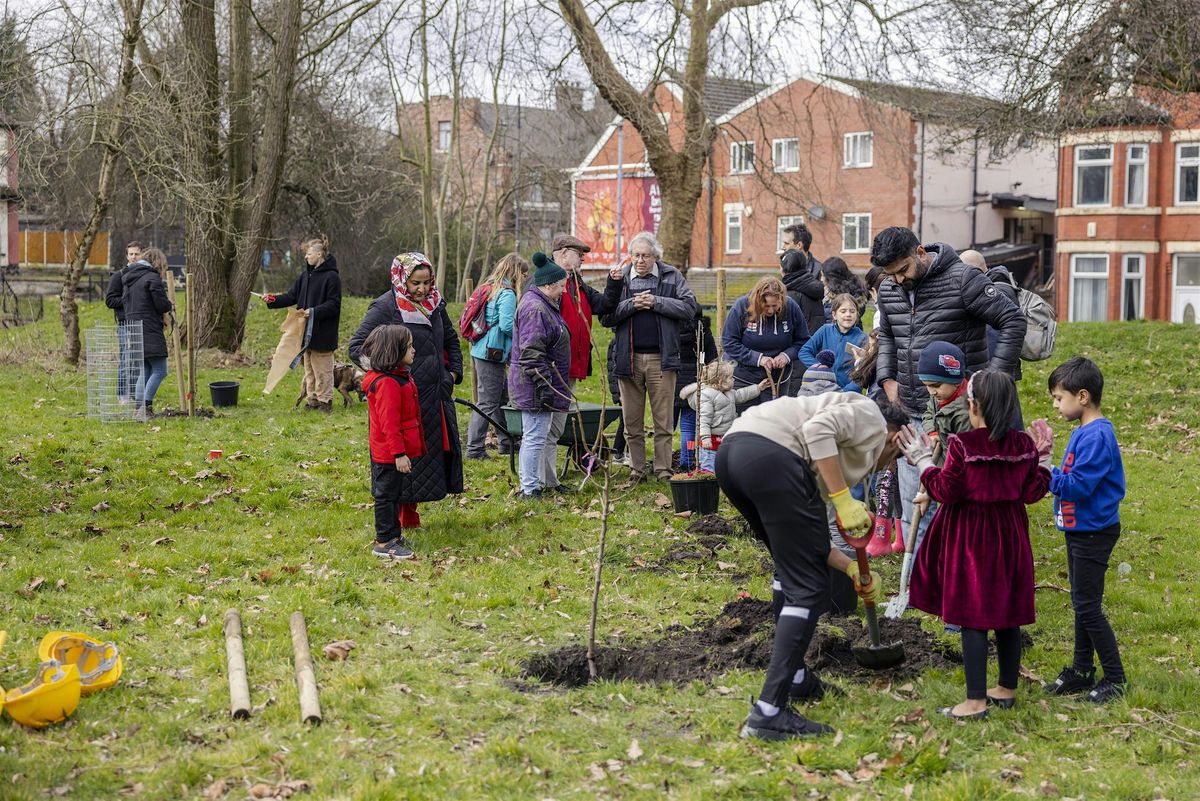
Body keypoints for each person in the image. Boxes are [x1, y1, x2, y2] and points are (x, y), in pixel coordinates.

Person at [717, 392, 908, 740]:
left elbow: (811, 542)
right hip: (770, 455)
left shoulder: (823, 459)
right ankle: (769, 713)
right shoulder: (873, 418)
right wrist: (842, 498)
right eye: (894, 456)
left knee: (789, 568)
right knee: (808, 590)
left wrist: (850, 568)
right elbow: (818, 430)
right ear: (895, 437)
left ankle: (797, 678)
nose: (887, 466)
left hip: (735, 454)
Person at [870, 226, 1026, 583]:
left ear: (920, 252)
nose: (898, 279)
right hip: (913, 407)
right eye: (890, 274)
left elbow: (1012, 319)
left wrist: (991, 383)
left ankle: (966, 579)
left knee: (958, 502)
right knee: (916, 498)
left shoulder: (963, 279)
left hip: (961, 414)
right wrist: (887, 378)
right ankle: (924, 583)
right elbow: (889, 337)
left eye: (903, 270)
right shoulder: (890, 289)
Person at [897, 370, 1050, 719]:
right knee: (1008, 614)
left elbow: (947, 490)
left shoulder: (965, 446)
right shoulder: (1023, 445)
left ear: (974, 406)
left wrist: (922, 462)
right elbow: (1032, 492)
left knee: (973, 616)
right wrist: (1044, 460)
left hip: (971, 538)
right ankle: (1006, 688)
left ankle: (975, 701)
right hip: (1011, 536)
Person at [348, 252, 464, 520]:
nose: (422, 289)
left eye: (426, 282)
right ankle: (400, 520)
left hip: (434, 397)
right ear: (402, 279)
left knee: (428, 459)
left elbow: (451, 340)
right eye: (415, 283)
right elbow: (357, 348)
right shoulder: (385, 307)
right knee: (401, 459)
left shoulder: (436, 305)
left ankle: (411, 515)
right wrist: (387, 376)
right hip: (402, 399)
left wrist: (453, 375)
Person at [1044, 356, 1128, 703]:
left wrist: (1045, 471)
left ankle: (1116, 678)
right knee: (1082, 602)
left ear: (1082, 396)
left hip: (1094, 532)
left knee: (1088, 605)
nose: (1054, 404)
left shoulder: (1097, 435)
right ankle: (1081, 670)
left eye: (1058, 398)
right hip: (1081, 529)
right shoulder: (1084, 431)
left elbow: (1078, 486)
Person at [601, 231, 699, 484]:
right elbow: (605, 316)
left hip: (661, 358)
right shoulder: (619, 279)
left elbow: (690, 308)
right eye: (636, 255)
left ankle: (663, 469)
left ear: (655, 256)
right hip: (628, 358)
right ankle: (637, 469)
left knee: (663, 421)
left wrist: (656, 302)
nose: (640, 260)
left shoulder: (671, 276)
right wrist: (631, 304)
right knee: (632, 421)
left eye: (645, 255)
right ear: (630, 256)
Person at [534, 234, 618, 492]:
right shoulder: (547, 283)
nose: (583, 257)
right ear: (561, 253)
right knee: (546, 427)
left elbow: (603, 305)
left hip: (570, 365)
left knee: (555, 427)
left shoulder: (575, 282)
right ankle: (541, 482)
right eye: (578, 252)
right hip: (551, 366)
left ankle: (549, 481)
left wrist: (614, 282)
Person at [508, 253, 571, 498]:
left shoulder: (543, 304)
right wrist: (545, 385)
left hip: (539, 382)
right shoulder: (535, 309)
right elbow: (532, 353)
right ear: (547, 286)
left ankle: (537, 483)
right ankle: (530, 488)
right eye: (561, 287)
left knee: (537, 435)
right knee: (534, 436)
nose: (563, 292)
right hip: (533, 384)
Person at [362, 324, 424, 561]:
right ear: (394, 351)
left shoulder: (397, 377)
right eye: (409, 346)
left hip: (392, 451)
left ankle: (394, 535)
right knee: (386, 496)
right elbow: (390, 424)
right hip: (388, 453)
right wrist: (399, 454)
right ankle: (384, 541)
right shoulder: (387, 383)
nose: (414, 350)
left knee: (394, 493)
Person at [264, 235, 342, 413]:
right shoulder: (305, 276)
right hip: (306, 332)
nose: (306, 257)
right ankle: (312, 400)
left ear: (320, 254)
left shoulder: (332, 278)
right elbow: (292, 296)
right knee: (309, 369)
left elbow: (334, 305)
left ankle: (325, 403)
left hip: (323, 333)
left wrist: (313, 311)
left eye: (309, 253)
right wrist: (272, 300)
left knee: (323, 370)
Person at [465, 253, 528, 460]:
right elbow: (507, 324)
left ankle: (506, 442)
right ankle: (474, 449)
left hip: (483, 350)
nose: (526, 278)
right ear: (517, 272)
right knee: (487, 402)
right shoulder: (507, 293)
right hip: (491, 353)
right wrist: (524, 336)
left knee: (501, 399)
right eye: (525, 274)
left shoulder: (491, 287)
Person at [721, 276, 809, 406]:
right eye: (766, 306)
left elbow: (803, 340)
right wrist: (758, 359)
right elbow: (729, 342)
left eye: (775, 306)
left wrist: (787, 355)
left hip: (778, 379)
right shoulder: (741, 306)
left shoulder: (790, 307)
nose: (770, 310)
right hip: (744, 379)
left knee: (773, 423)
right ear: (758, 300)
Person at [678, 362, 769, 473]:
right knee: (709, 466)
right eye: (731, 378)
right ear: (722, 382)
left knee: (726, 465)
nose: (734, 380)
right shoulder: (707, 396)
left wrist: (758, 388)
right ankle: (709, 483)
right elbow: (704, 420)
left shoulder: (728, 392)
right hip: (710, 442)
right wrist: (705, 438)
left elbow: (741, 395)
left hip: (725, 437)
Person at [121, 247, 173, 421]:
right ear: (157, 262)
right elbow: (160, 304)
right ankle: (146, 407)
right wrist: (169, 305)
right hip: (150, 327)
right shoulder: (152, 278)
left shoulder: (130, 278)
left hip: (134, 328)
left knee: (145, 369)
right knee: (160, 370)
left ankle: (138, 409)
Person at [960, 249, 1024, 384]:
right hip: (1004, 370)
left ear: (972, 271)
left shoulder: (992, 293)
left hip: (995, 375)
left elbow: (992, 339)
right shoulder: (1002, 285)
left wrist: (993, 375)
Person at [675, 310, 718, 471]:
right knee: (688, 428)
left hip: (671, 381)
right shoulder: (702, 329)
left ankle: (661, 462)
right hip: (694, 384)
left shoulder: (671, 326)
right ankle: (686, 461)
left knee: (665, 428)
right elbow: (712, 355)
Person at [799, 293, 868, 389]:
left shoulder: (863, 338)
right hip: (823, 389)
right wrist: (820, 370)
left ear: (857, 314)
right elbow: (804, 352)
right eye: (843, 311)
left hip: (847, 393)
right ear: (834, 315)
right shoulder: (825, 330)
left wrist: (847, 391)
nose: (848, 314)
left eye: (852, 311)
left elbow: (864, 371)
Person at [106, 240, 144, 403]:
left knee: (139, 359)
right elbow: (110, 301)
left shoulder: (145, 275)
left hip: (142, 323)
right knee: (125, 359)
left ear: (141, 254)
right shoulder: (119, 276)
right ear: (127, 256)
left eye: (137, 254)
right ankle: (122, 395)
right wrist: (126, 300)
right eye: (131, 254)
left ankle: (136, 393)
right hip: (124, 324)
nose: (134, 257)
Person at [779, 223, 826, 336]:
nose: (782, 247)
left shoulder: (821, 271)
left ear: (799, 245)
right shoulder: (784, 268)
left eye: (786, 243)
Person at [819, 257, 867, 323]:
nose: (821, 279)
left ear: (830, 278)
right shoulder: (856, 294)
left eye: (822, 276)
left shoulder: (832, 300)